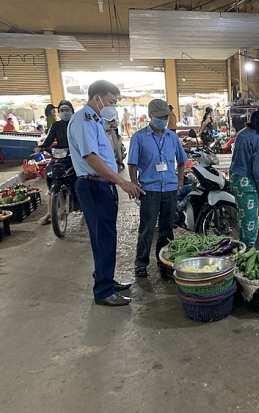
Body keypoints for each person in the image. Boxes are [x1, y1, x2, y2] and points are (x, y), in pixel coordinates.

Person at [68, 80, 144, 307]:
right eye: (111, 101)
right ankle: (103, 291)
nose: (114, 106)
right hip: (94, 186)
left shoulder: (95, 120)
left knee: (106, 237)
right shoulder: (84, 120)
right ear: (96, 98)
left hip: (102, 185)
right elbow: (91, 158)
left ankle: (106, 279)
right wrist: (122, 182)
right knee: (103, 238)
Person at [128, 99, 188, 279]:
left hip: (169, 189)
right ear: (150, 116)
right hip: (150, 190)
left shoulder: (173, 137)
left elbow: (182, 161)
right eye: (160, 117)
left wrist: (179, 182)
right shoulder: (139, 137)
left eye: (165, 117)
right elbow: (132, 164)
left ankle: (165, 262)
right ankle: (141, 263)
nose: (164, 120)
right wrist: (134, 184)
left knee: (167, 228)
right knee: (147, 228)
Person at [229, 105, 259, 247]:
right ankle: (248, 254)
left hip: (235, 180)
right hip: (247, 184)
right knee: (250, 223)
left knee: (242, 218)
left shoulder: (242, 133)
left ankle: (241, 248)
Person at [34, 99, 75, 225]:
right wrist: (41, 147)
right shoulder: (56, 126)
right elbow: (49, 140)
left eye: (67, 110)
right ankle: (49, 213)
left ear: (72, 111)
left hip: (76, 156)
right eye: (62, 110)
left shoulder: (77, 124)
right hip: (61, 155)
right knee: (51, 174)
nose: (64, 113)